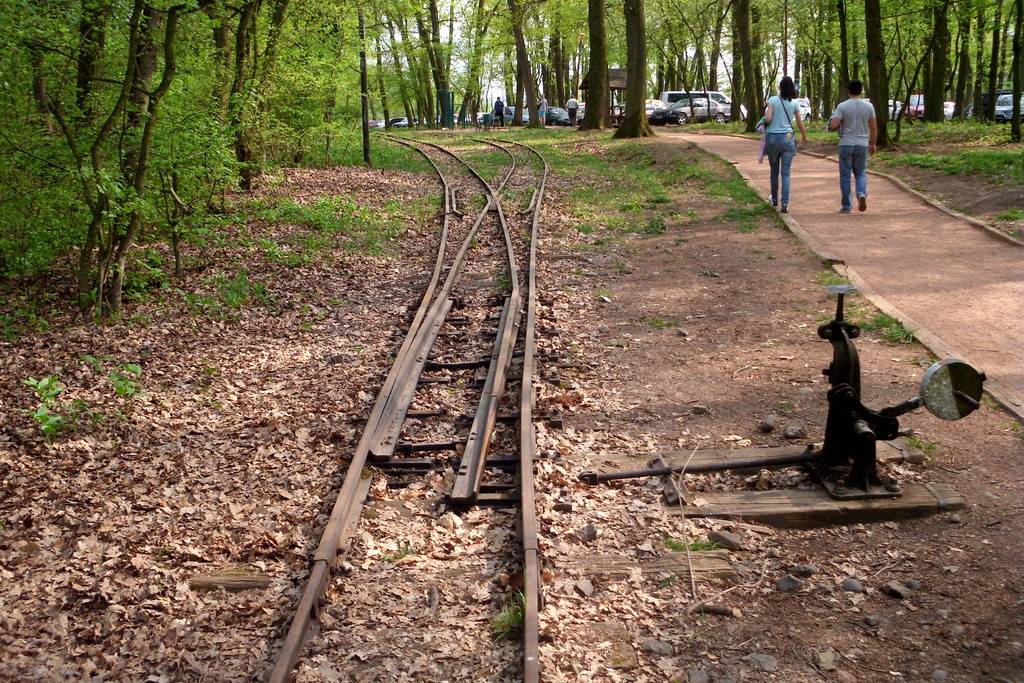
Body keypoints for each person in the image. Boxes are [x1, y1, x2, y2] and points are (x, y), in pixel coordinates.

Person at [828, 80, 877, 213]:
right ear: (861, 90)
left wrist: (834, 120)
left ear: (848, 91)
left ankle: (846, 206)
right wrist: (873, 144)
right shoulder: (869, 106)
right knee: (860, 172)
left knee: (845, 176)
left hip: (846, 144)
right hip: (862, 144)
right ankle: (861, 194)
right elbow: (873, 127)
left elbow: (833, 125)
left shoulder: (842, 106)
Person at [763, 76, 808, 213]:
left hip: (773, 138)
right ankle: (785, 205)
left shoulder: (772, 100)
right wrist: (804, 135)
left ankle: (774, 199)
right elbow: (799, 123)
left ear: (780, 87)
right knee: (786, 173)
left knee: (774, 171)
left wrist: (765, 120)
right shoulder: (795, 103)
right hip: (788, 138)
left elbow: (768, 118)